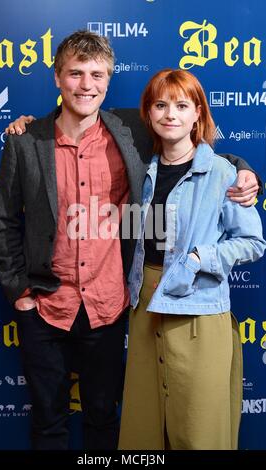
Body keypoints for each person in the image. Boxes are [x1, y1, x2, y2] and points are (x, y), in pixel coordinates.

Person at [0, 30, 259, 451]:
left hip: (109, 306)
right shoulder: (26, 140)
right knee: (48, 424)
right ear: (57, 77)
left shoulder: (132, 129)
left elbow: (192, 149)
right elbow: (4, 219)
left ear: (109, 80)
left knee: (105, 418)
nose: (86, 85)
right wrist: (19, 292)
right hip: (46, 305)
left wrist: (244, 168)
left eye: (97, 75)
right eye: (75, 73)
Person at [118, 68, 266, 451]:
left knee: (199, 432)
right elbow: (83, 115)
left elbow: (252, 242)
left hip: (198, 308)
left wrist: (202, 257)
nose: (171, 114)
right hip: (144, 306)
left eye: (182, 105)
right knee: (144, 434)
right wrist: (33, 125)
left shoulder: (223, 172)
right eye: (161, 105)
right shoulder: (142, 170)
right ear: (148, 113)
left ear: (197, 113)